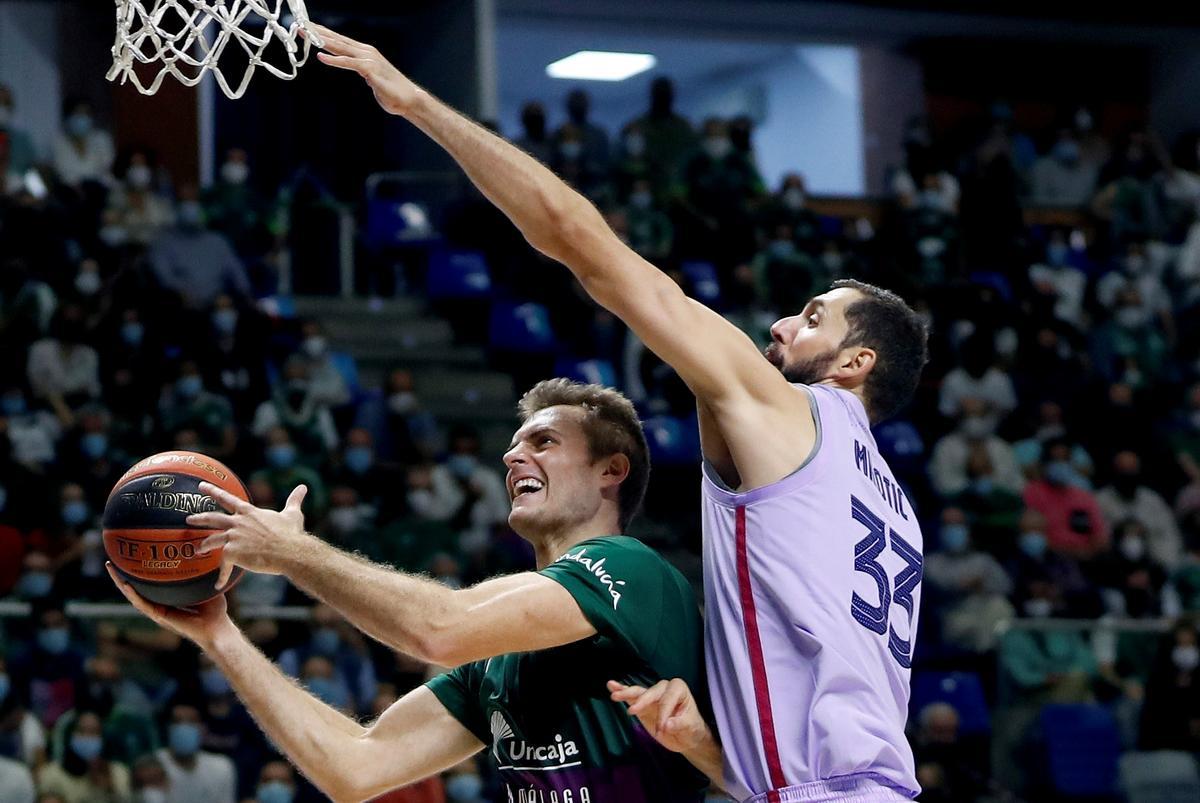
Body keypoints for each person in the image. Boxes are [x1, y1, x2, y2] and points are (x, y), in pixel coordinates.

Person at [297, 25, 931, 802]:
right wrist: (703, 743)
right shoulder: (893, 506)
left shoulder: (793, 414)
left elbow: (583, 245)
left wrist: (417, 104)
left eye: (811, 317)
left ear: (855, 362)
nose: (780, 326)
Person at [112, 379, 713, 802]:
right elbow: (354, 768)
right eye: (514, 444)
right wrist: (220, 635)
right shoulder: (496, 666)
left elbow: (439, 629)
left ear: (611, 470)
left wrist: (293, 553)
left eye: (543, 442)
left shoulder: (628, 570)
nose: (512, 455)